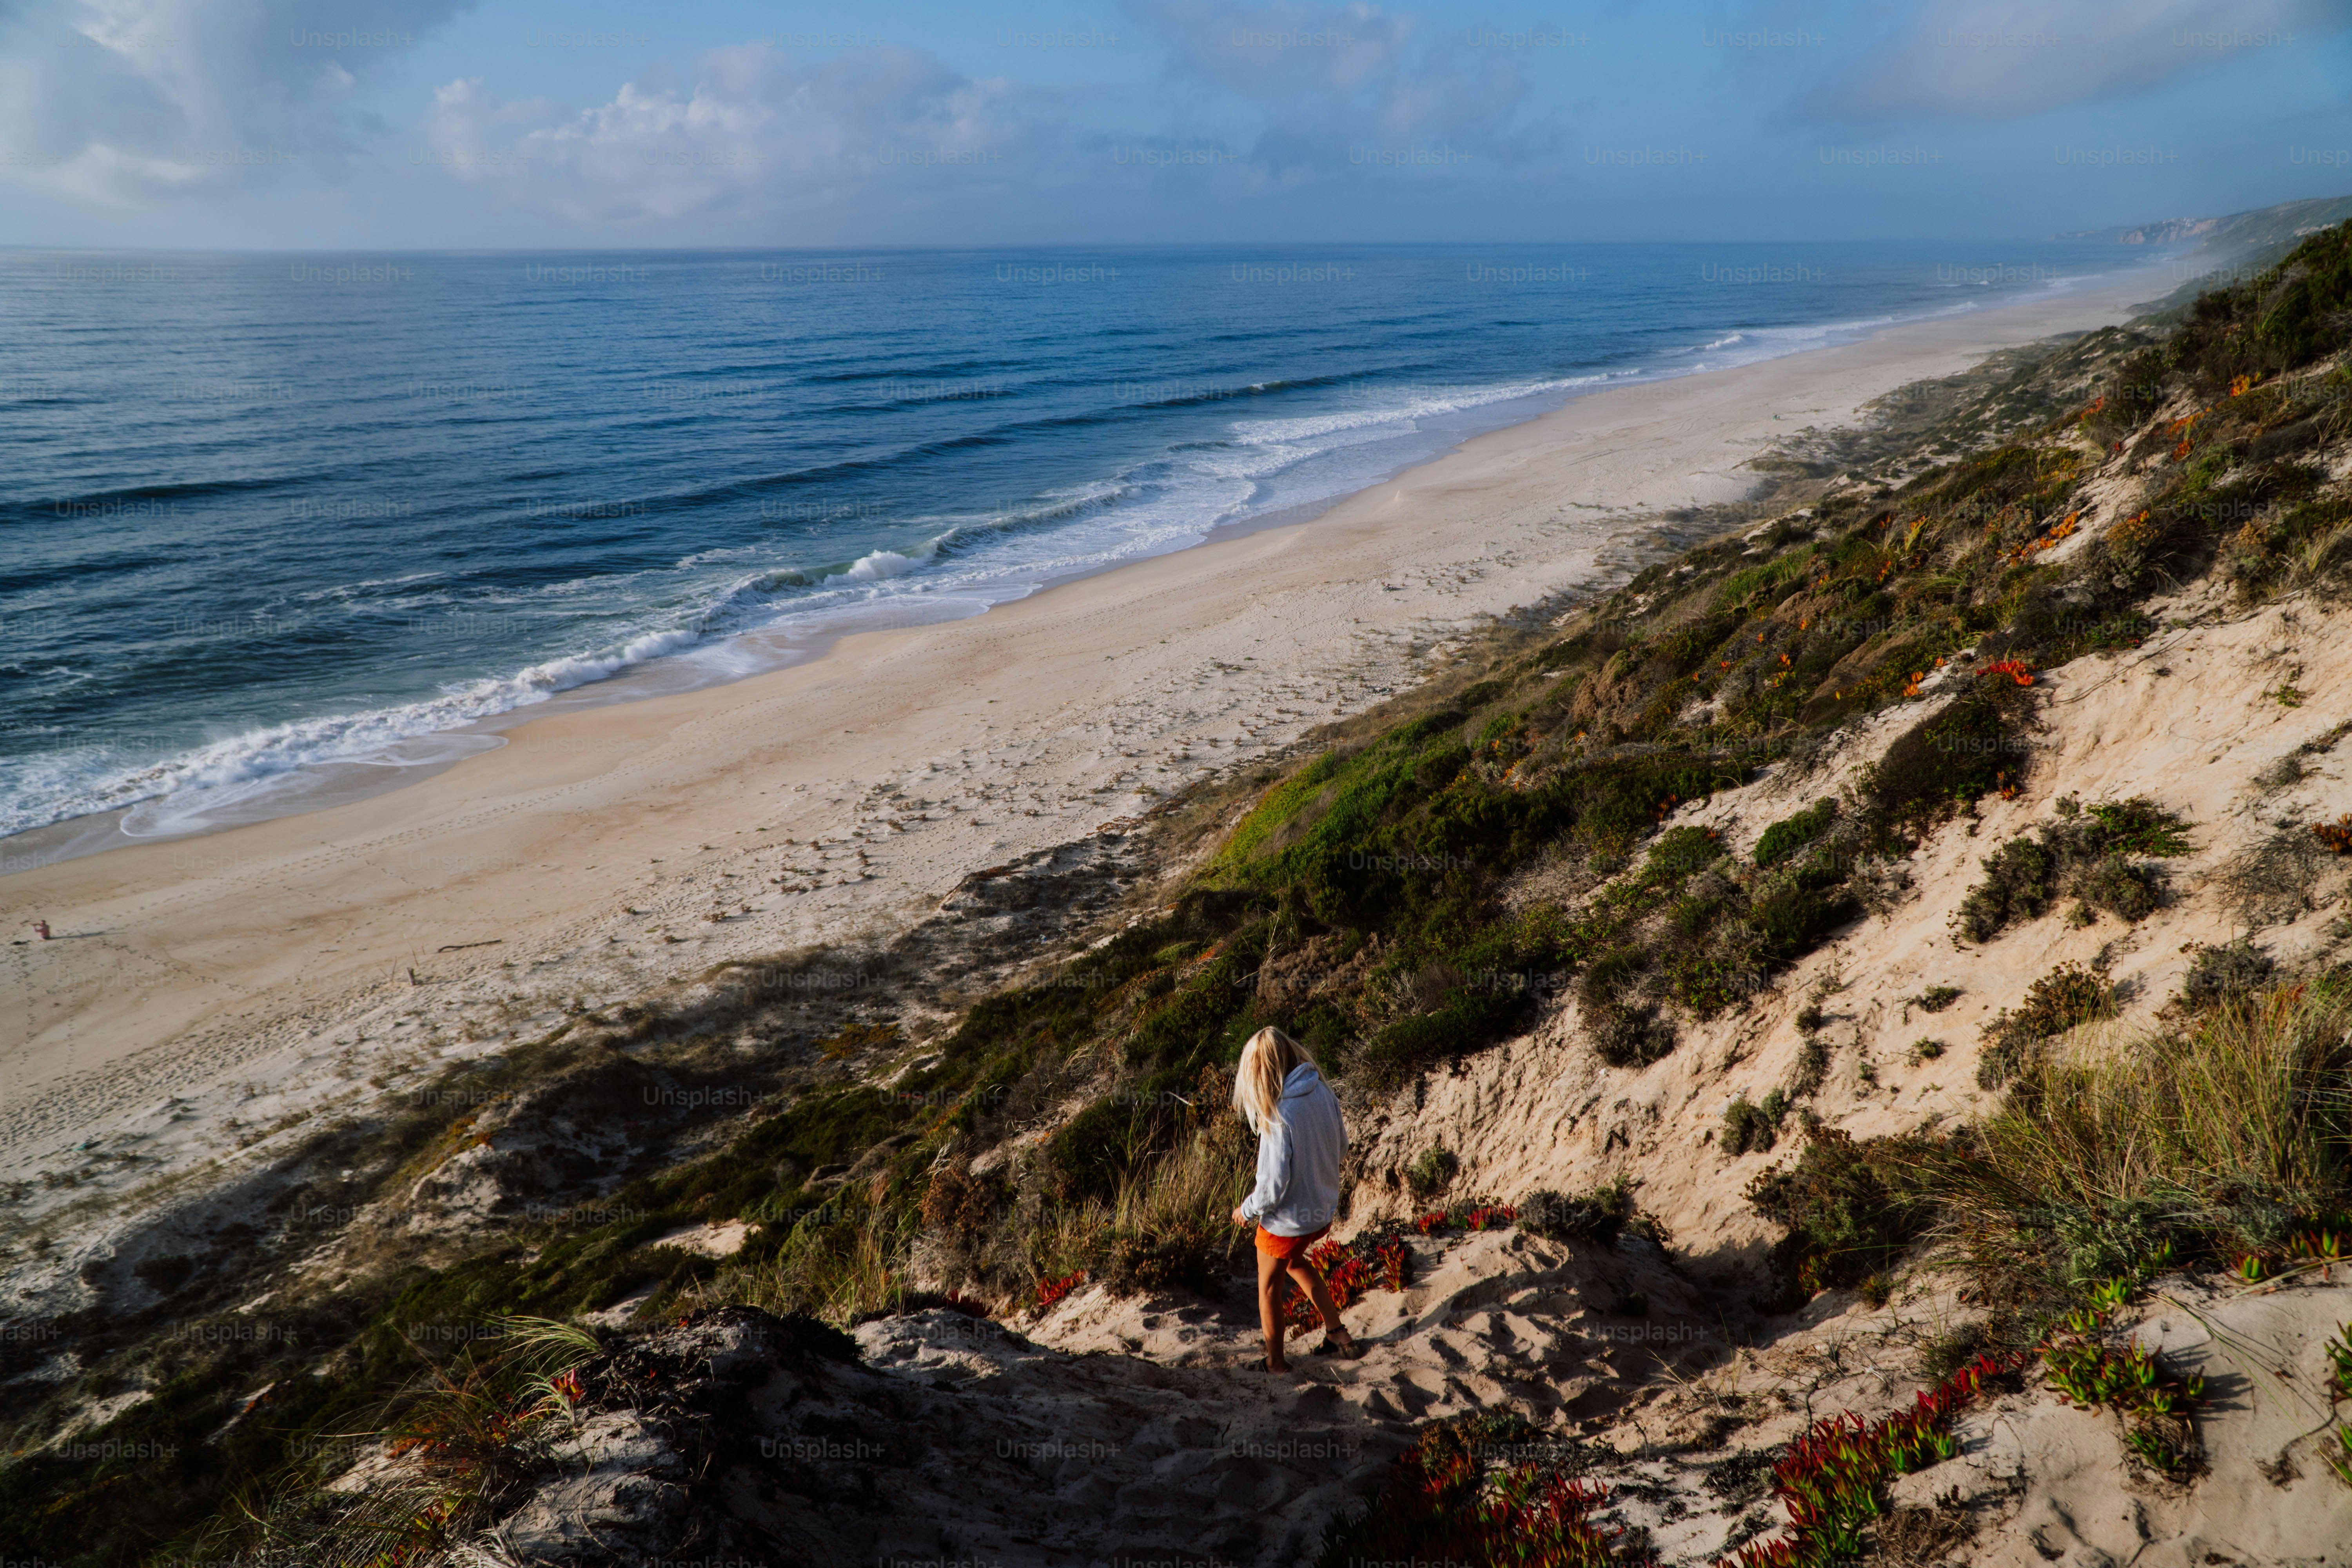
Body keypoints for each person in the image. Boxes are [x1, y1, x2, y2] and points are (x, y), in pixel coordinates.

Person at [1229, 1026, 1361, 1372]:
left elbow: (1272, 1189)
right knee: (1295, 1263)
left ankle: (1276, 1363)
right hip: (1321, 1211)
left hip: (1287, 1222)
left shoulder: (1279, 1115)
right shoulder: (1322, 1092)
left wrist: (1246, 1210)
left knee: (1269, 1289)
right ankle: (1337, 1333)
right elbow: (1343, 1148)